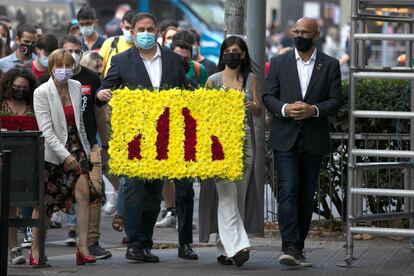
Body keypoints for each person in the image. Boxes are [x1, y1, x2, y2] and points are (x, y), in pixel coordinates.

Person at [96, 12, 186, 263]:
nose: (146, 33)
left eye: (150, 29)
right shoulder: (123, 60)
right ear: (133, 32)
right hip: (134, 136)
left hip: (164, 136)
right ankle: (133, 243)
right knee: (134, 190)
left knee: (153, 192)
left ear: (157, 32)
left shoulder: (172, 60)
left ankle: (146, 242)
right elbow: (106, 86)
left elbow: (184, 91)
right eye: (140, 29)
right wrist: (102, 93)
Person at [263, 17, 342, 267]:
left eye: (304, 32)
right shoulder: (278, 62)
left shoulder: (330, 64)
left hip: (313, 138)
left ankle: (298, 246)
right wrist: (285, 109)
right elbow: (267, 95)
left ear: (315, 34)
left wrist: (314, 110)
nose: (298, 35)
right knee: (287, 191)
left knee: (307, 194)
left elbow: (335, 100)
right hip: (284, 137)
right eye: (295, 30)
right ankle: (290, 247)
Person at [199, 35, 261, 267]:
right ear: (223, 54)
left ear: (243, 55)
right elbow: (203, 112)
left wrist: (254, 107)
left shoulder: (251, 79)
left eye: (236, 51)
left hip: (244, 145)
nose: (232, 54)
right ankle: (239, 246)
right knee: (227, 196)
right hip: (218, 144)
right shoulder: (213, 80)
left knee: (240, 196)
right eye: (228, 51)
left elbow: (258, 111)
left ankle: (226, 249)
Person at [32, 49, 96, 266]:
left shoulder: (76, 87)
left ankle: (83, 246)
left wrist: (87, 150)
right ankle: (36, 249)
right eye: (60, 66)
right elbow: (46, 131)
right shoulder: (41, 92)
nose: (65, 70)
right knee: (46, 204)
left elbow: (80, 123)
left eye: (69, 66)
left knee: (83, 193)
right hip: (52, 152)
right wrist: (65, 154)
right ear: (51, 68)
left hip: (76, 146)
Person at [0, 67, 37, 265]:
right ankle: (12, 248)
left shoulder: (33, 106)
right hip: (2, 161)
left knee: (22, 206)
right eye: (16, 86)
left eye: (24, 87)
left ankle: (23, 247)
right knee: (7, 207)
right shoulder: (1, 104)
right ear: (8, 86)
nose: (20, 90)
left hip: (27, 163)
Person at [100, 10, 136, 79]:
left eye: (133, 29)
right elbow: (98, 69)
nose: (130, 32)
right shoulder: (110, 43)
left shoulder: (142, 47)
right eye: (127, 28)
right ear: (121, 26)